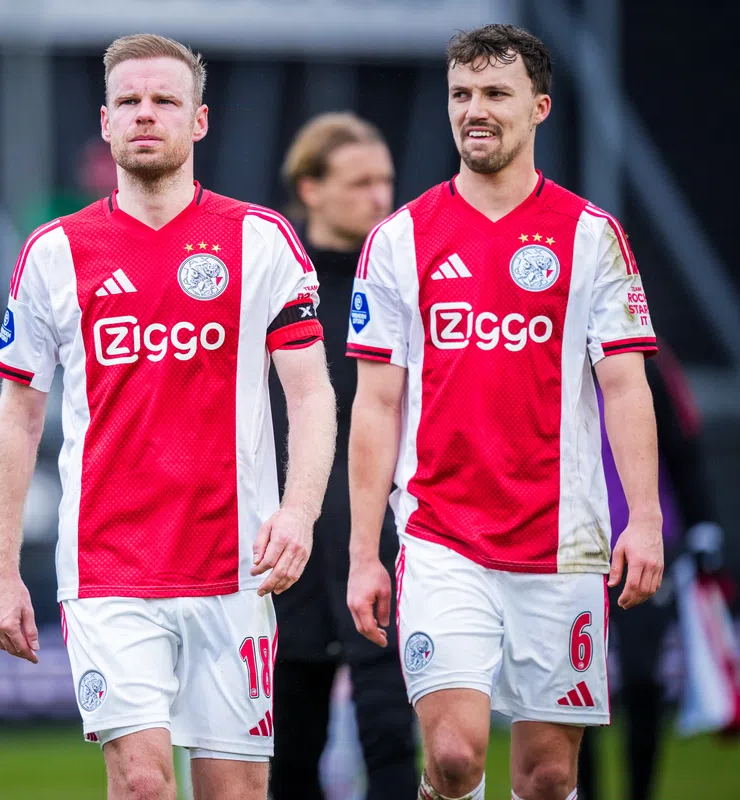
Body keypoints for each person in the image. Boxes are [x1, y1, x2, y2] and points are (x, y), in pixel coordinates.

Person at [0, 33, 336, 800]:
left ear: (199, 121)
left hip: (235, 569)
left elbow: (310, 393)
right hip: (107, 567)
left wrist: (299, 512)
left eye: (165, 101)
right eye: (130, 101)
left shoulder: (260, 240)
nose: (146, 114)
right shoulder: (54, 251)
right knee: (143, 783)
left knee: (235, 791)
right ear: (105, 121)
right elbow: (18, 416)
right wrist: (0, 573)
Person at [345, 24, 664, 800]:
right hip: (442, 537)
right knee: (455, 757)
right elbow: (376, 404)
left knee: (548, 776)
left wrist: (646, 519)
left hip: (564, 542)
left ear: (540, 107)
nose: (475, 110)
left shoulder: (592, 236)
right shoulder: (399, 239)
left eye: (495, 93)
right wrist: (362, 552)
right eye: (461, 94)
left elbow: (625, 386)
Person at [270, 112, 417, 799]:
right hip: (289, 550)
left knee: (393, 739)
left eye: (386, 180)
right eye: (360, 182)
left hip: (385, 543)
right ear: (311, 188)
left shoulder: (406, 284)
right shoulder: (272, 285)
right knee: (288, 755)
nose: (380, 196)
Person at [578, 341, 727, 800]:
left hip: (643, 550)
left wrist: (701, 525)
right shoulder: (551, 358)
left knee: (644, 679)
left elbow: (682, 445)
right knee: (575, 689)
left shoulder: (648, 363)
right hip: (574, 551)